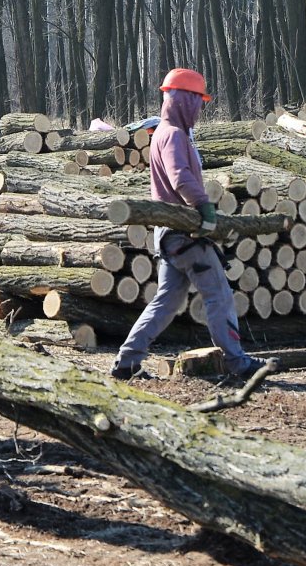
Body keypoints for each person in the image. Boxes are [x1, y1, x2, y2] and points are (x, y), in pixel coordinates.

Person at [110, 69, 267, 384]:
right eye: (197, 101)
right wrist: (203, 206)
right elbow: (180, 176)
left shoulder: (165, 132)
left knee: (167, 300)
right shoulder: (173, 135)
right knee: (219, 293)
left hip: (171, 235)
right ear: (183, 100)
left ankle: (126, 363)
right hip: (184, 234)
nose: (200, 109)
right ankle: (238, 363)